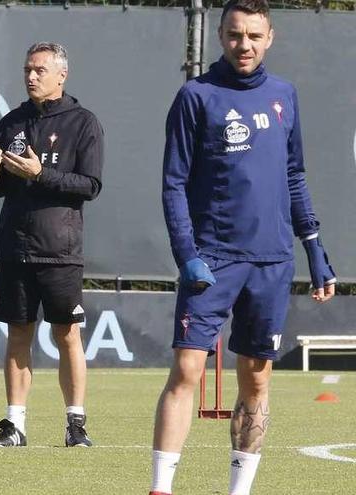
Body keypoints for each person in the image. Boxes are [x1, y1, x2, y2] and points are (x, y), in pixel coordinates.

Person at [150, 1, 336, 493]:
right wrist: (186, 253)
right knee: (188, 368)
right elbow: (173, 183)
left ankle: (239, 490)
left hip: (272, 261)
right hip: (211, 257)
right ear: (221, 37)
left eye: (254, 35)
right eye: (235, 35)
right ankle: (160, 487)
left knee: (256, 381)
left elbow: (294, 176)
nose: (244, 45)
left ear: (270, 37)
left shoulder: (284, 95)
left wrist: (314, 249)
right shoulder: (196, 96)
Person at [0, 42, 103, 448]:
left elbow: (90, 185)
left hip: (60, 249)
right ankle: (15, 426)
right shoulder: (12, 122)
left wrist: (40, 173)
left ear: (61, 75)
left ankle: (75, 424)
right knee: (18, 335)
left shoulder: (83, 123)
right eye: (28, 69)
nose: (31, 76)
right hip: (15, 246)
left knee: (67, 336)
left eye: (40, 70)